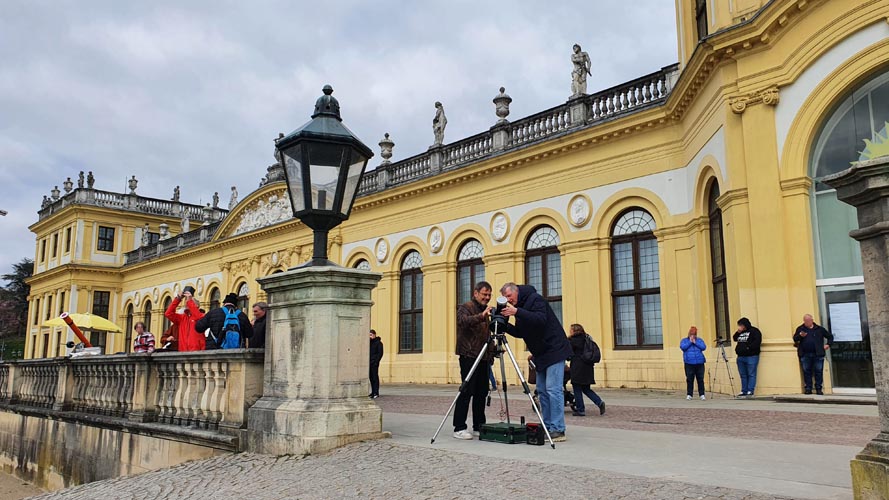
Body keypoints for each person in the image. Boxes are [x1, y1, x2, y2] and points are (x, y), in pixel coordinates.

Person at [500, 282, 573, 442]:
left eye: (509, 296)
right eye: (505, 297)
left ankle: (558, 429)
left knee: (553, 389)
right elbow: (521, 332)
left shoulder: (535, 299)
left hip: (554, 349)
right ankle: (547, 426)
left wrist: (517, 312)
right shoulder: (519, 307)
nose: (508, 300)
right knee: (542, 391)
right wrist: (503, 325)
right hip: (540, 354)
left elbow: (540, 319)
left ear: (516, 291)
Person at [453, 282, 495, 439]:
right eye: (484, 294)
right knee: (466, 391)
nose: (487, 297)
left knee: (481, 392)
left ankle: (479, 426)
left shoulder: (486, 311)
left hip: (483, 357)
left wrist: (492, 351)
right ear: (476, 293)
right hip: (469, 355)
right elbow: (463, 321)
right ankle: (459, 427)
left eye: (489, 295)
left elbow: (487, 334)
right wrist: (481, 316)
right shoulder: (466, 307)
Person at [567, 324, 605, 416]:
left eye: (571, 330)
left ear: (574, 331)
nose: (569, 331)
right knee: (586, 388)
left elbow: (568, 354)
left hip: (577, 366)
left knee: (577, 388)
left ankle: (580, 409)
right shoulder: (587, 338)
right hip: (588, 367)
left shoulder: (572, 341)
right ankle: (599, 402)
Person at [793, 314, 833, 395]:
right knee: (806, 371)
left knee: (818, 371)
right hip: (805, 354)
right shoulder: (800, 328)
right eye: (805, 321)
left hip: (818, 354)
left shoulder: (819, 329)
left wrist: (828, 344)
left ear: (812, 320)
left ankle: (818, 388)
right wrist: (800, 336)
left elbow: (830, 336)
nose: (806, 322)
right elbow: (795, 339)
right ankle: (808, 388)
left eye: (808, 321)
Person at [164, 286, 205, 352]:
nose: (187, 301)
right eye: (187, 300)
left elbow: (198, 317)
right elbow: (168, 313)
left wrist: (190, 300)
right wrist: (178, 299)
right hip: (183, 351)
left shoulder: (202, 315)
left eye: (191, 301)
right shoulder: (182, 318)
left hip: (197, 352)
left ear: (197, 305)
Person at [733, 317, 762, 398]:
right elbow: (735, 338)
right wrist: (738, 332)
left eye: (741, 325)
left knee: (751, 374)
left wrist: (748, 348)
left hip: (751, 356)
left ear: (745, 324)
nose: (740, 327)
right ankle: (744, 390)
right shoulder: (741, 332)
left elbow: (757, 342)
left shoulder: (754, 331)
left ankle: (750, 391)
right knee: (743, 374)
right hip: (740, 356)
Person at [680, 326, 707, 400]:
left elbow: (703, 347)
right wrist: (690, 342)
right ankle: (689, 394)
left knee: (700, 379)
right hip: (689, 362)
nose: (693, 336)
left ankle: (702, 394)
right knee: (689, 379)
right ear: (689, 334)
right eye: (691, 334)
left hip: (699, 362)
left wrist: (696, 342)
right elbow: (683, 347)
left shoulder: (699, 340)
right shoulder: (684, 340)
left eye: (694, 334)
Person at [369, 329, 383, 398]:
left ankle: (376, 392)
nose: (370, 336)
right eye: (369, 335)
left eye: (371, 335)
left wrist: (376, 361)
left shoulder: (378, 343)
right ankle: (372, 392)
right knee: (371, 378)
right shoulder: (369, 343)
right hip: (369, 363)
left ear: (374, 335)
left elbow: (380, 353)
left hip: (374, 363)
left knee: (375, 377)